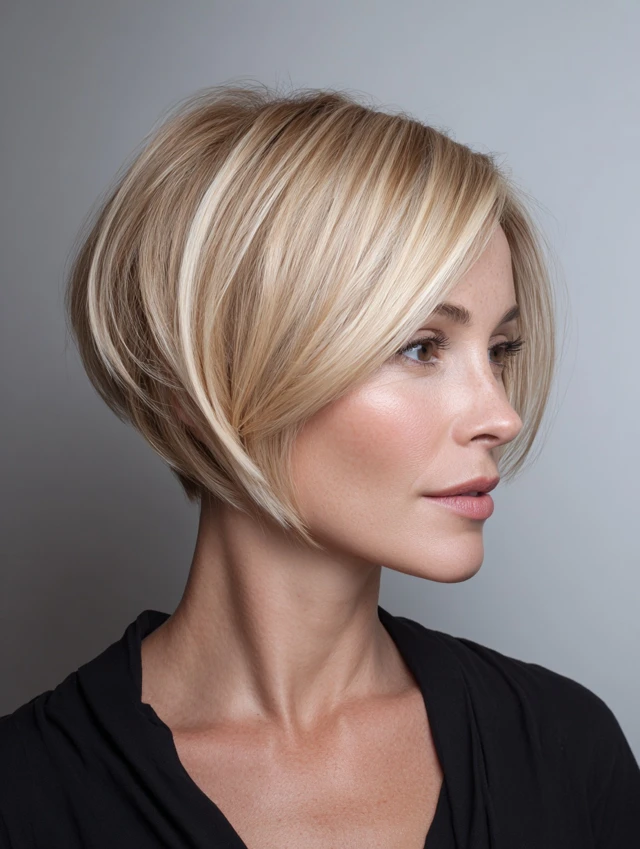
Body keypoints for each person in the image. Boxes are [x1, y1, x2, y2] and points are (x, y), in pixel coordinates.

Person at [1, 82, 639, 849]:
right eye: (421, 346)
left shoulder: (565, 752)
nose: (502, 415)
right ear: (213, 382)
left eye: (500, 349)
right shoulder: (26, 796)